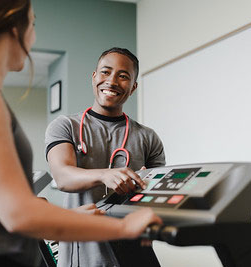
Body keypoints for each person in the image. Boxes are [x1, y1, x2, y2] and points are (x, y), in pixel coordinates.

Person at [0, 1, 162, 267]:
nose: (34, 35)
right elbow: (18, 215)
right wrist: (124, 228)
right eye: (33, 24)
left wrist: (69, 216)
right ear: (15, 29)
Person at [45, 47, 166, 266]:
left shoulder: (148, 137)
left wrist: (146, 186)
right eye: (105, 72)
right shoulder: (65, 126)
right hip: (83, 251)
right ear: (94, 77)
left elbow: (158, 197)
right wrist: (105, 175)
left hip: (133, 249)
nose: (111, 81)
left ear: (133, 87)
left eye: (123, 76)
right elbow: (63, 176)